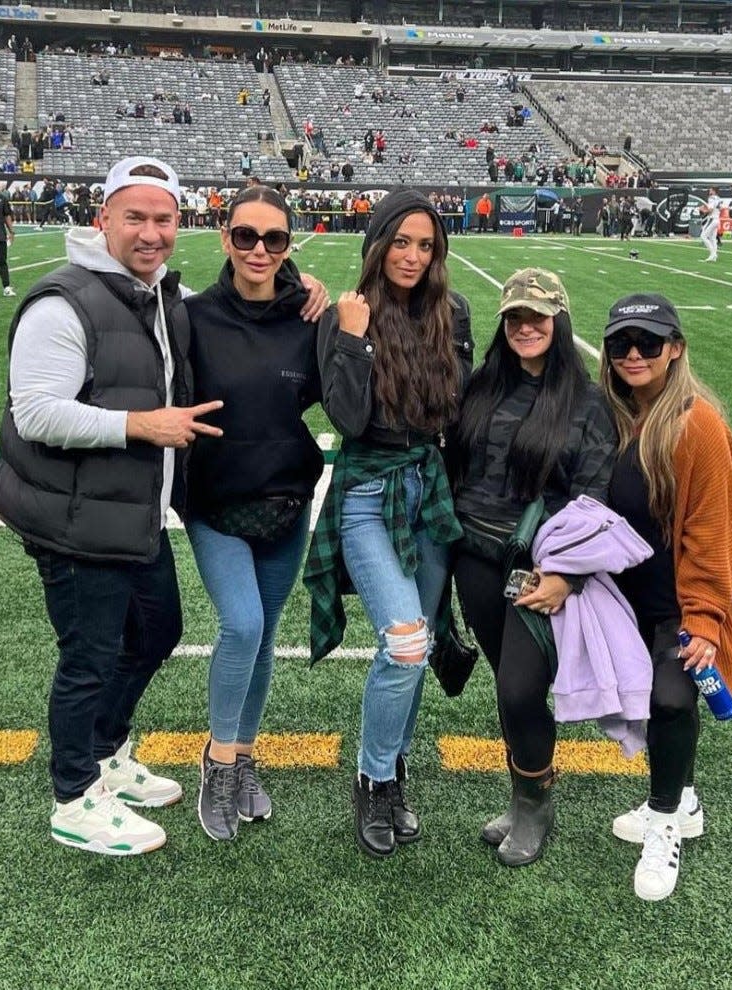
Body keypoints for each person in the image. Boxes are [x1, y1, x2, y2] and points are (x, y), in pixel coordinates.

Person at [0, 156, 227, 857]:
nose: (150, 233)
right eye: (135, 218)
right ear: (104, 221)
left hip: (129, 514)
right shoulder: (65, 300)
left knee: (156, 632)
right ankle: (72, 796)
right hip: (74, 519)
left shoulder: (148, 293)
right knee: (89, 657)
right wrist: (140, 426)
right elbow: (34, 413)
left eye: (163, 219)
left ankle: (105, 751)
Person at [305, 189, 474, 858]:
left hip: (427, 489)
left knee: (423, 644)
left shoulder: (450, 312)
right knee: (404, 642)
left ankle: (396, 770)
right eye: (400, 242)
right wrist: (349, 336)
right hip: (368, 491)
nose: (412, 255)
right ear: (376, 244)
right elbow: (346, 419)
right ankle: (372, 778)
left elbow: (460, 409)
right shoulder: (347, 314)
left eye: (425, 244)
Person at [449, 269, 617, 867]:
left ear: (560, 320)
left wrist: (566, 578)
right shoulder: (478, 388)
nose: (526, 327)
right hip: (473, 556)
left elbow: (593, 498)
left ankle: (536, 804)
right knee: (506, 684)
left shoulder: (589, 402)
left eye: (538, 316)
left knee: (522, 689)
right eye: (515, 317)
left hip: (537, 567)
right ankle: (524, 794)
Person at [182, 185, 329, 842]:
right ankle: (216, 764)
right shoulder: (192, 316)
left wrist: (332, 304)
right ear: (224, 238)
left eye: (274, 239)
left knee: (265, 637)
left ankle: (244, 760)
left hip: (287, 504)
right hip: (215, 502)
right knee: (241, 626)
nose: (260, 250)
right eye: (246, 236)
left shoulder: (308, 314)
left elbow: (346, 392)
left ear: (289, 245)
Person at [599, 293, 732, 901]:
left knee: (670, 699)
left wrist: (707, 619)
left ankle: (665, 827)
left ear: (676, 349)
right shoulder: (612, 415)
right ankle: (682, 800)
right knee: (649, 700)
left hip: (680, 600)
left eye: (649, 343)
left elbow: (714, 531)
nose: (634, 354)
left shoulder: (698, 424)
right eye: (620, 344)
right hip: (627, 598)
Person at [698, 187, 720, 262]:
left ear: (714, 191)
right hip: (717, 218)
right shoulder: (718, 198)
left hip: (712, 219)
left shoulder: (711, 198)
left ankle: (712, 254)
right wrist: (704, 207)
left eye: (710, 190)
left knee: (703, 236)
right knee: (713, 238)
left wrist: (702, 210)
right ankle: (714, 256)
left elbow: (710, 210)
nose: (709, 191)